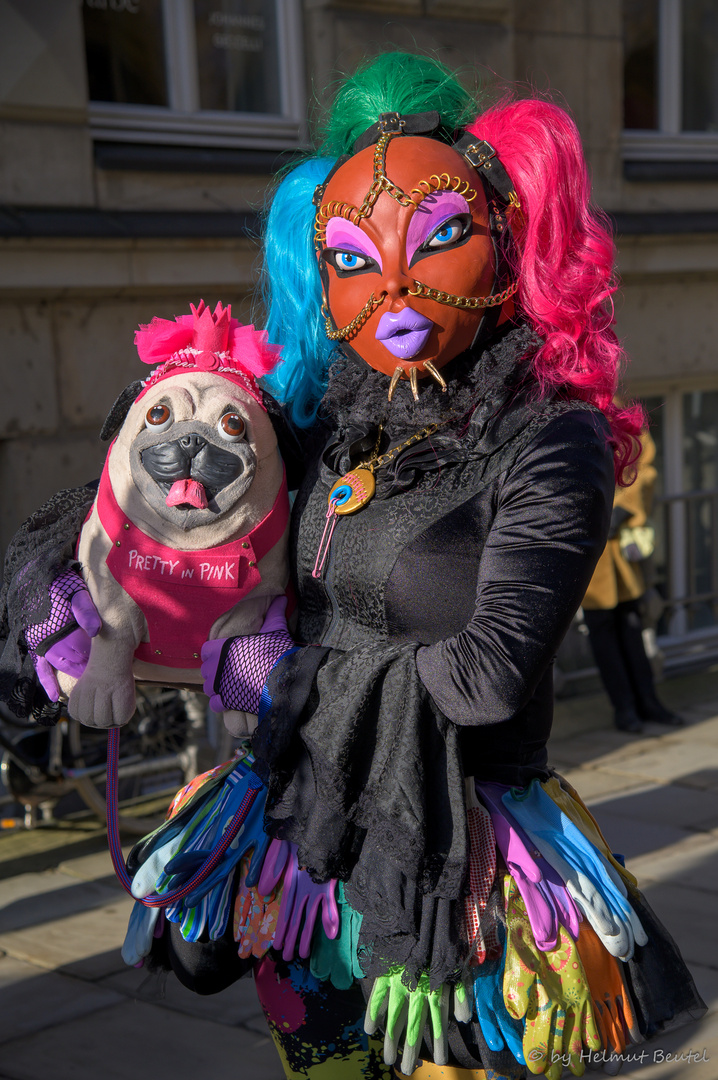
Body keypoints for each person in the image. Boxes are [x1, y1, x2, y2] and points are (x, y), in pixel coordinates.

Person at [0, 54, 705, 1080]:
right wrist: (72, 592)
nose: (395, 284)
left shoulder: (551, 439)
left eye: (440, 237)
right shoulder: (334, 420)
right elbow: (182, 527)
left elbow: (485, 676)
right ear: (316, 270)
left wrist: (276, 683)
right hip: (308, 851)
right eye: (351, 255)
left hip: (458, 876)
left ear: (506, 238)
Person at [582, 428, 684, 733]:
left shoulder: (617, 408)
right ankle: (625, 708)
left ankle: (647, 702)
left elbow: (644, 465)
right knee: (603, 632)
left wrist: (623, 508)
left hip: (621, 550)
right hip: (589, 547)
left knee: (631, 628)